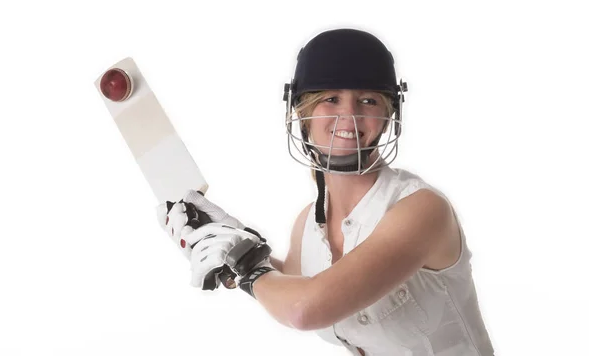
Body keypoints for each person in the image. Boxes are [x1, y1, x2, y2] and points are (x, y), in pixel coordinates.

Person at [157, 28, 495, 355]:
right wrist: (234, 242)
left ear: (388, 114)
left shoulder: (421, 210)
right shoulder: (308, 223)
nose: (349, 115)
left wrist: (247, 266)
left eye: (368, 100)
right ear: (302, 112)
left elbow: (305, 308)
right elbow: (290, 286)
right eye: (330, 99)